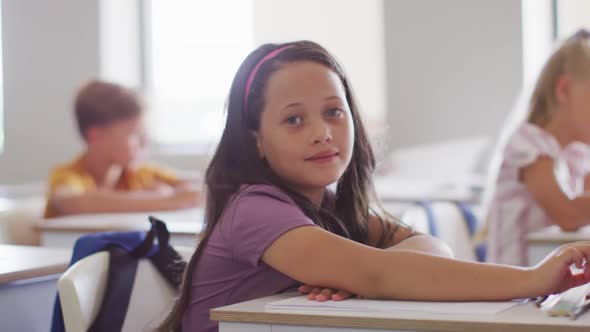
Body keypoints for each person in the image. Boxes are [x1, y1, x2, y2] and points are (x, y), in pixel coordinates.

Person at [159, 41, 590, 332]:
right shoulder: (255, 209)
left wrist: (357, 275)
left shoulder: (326, 205)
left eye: (333, 111)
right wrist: (534, 280)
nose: (322, 132)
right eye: (294, 119)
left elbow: (430, 246)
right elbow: (379, 271)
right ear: (256, 139)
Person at [487, 29, 590, 266]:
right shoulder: (528, 142)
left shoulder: (576, 154)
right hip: (513, 289)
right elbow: (568, 214)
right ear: (564, 90)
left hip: (547, 289)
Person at [44, 80, 201, 218]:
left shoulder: (141, 173)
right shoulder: (67, 174)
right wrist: (169, 200)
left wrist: (180, 192)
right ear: (96, 135)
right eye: (134, 134)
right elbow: (71, 202)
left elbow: (199, 185)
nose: (144, 143)